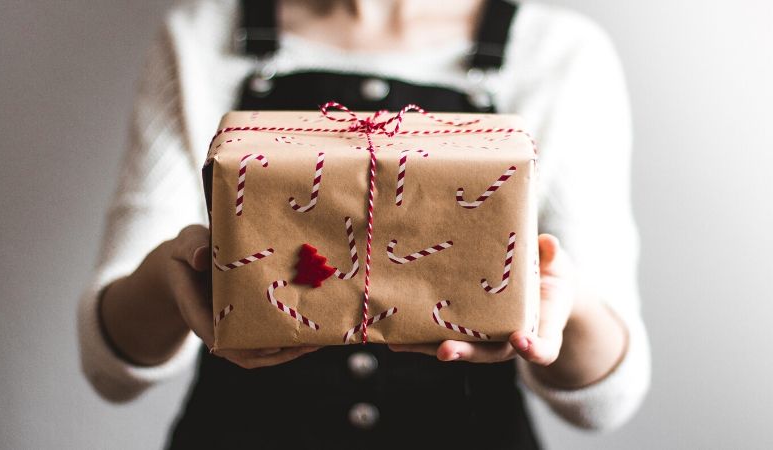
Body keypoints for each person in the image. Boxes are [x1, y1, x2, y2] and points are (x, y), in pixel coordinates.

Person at [77, 0, 651, 448]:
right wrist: (169, 276)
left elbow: (608, 401)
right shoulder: (202, 36)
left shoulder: (559, 51)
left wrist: (560, 304)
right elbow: (111, 371)